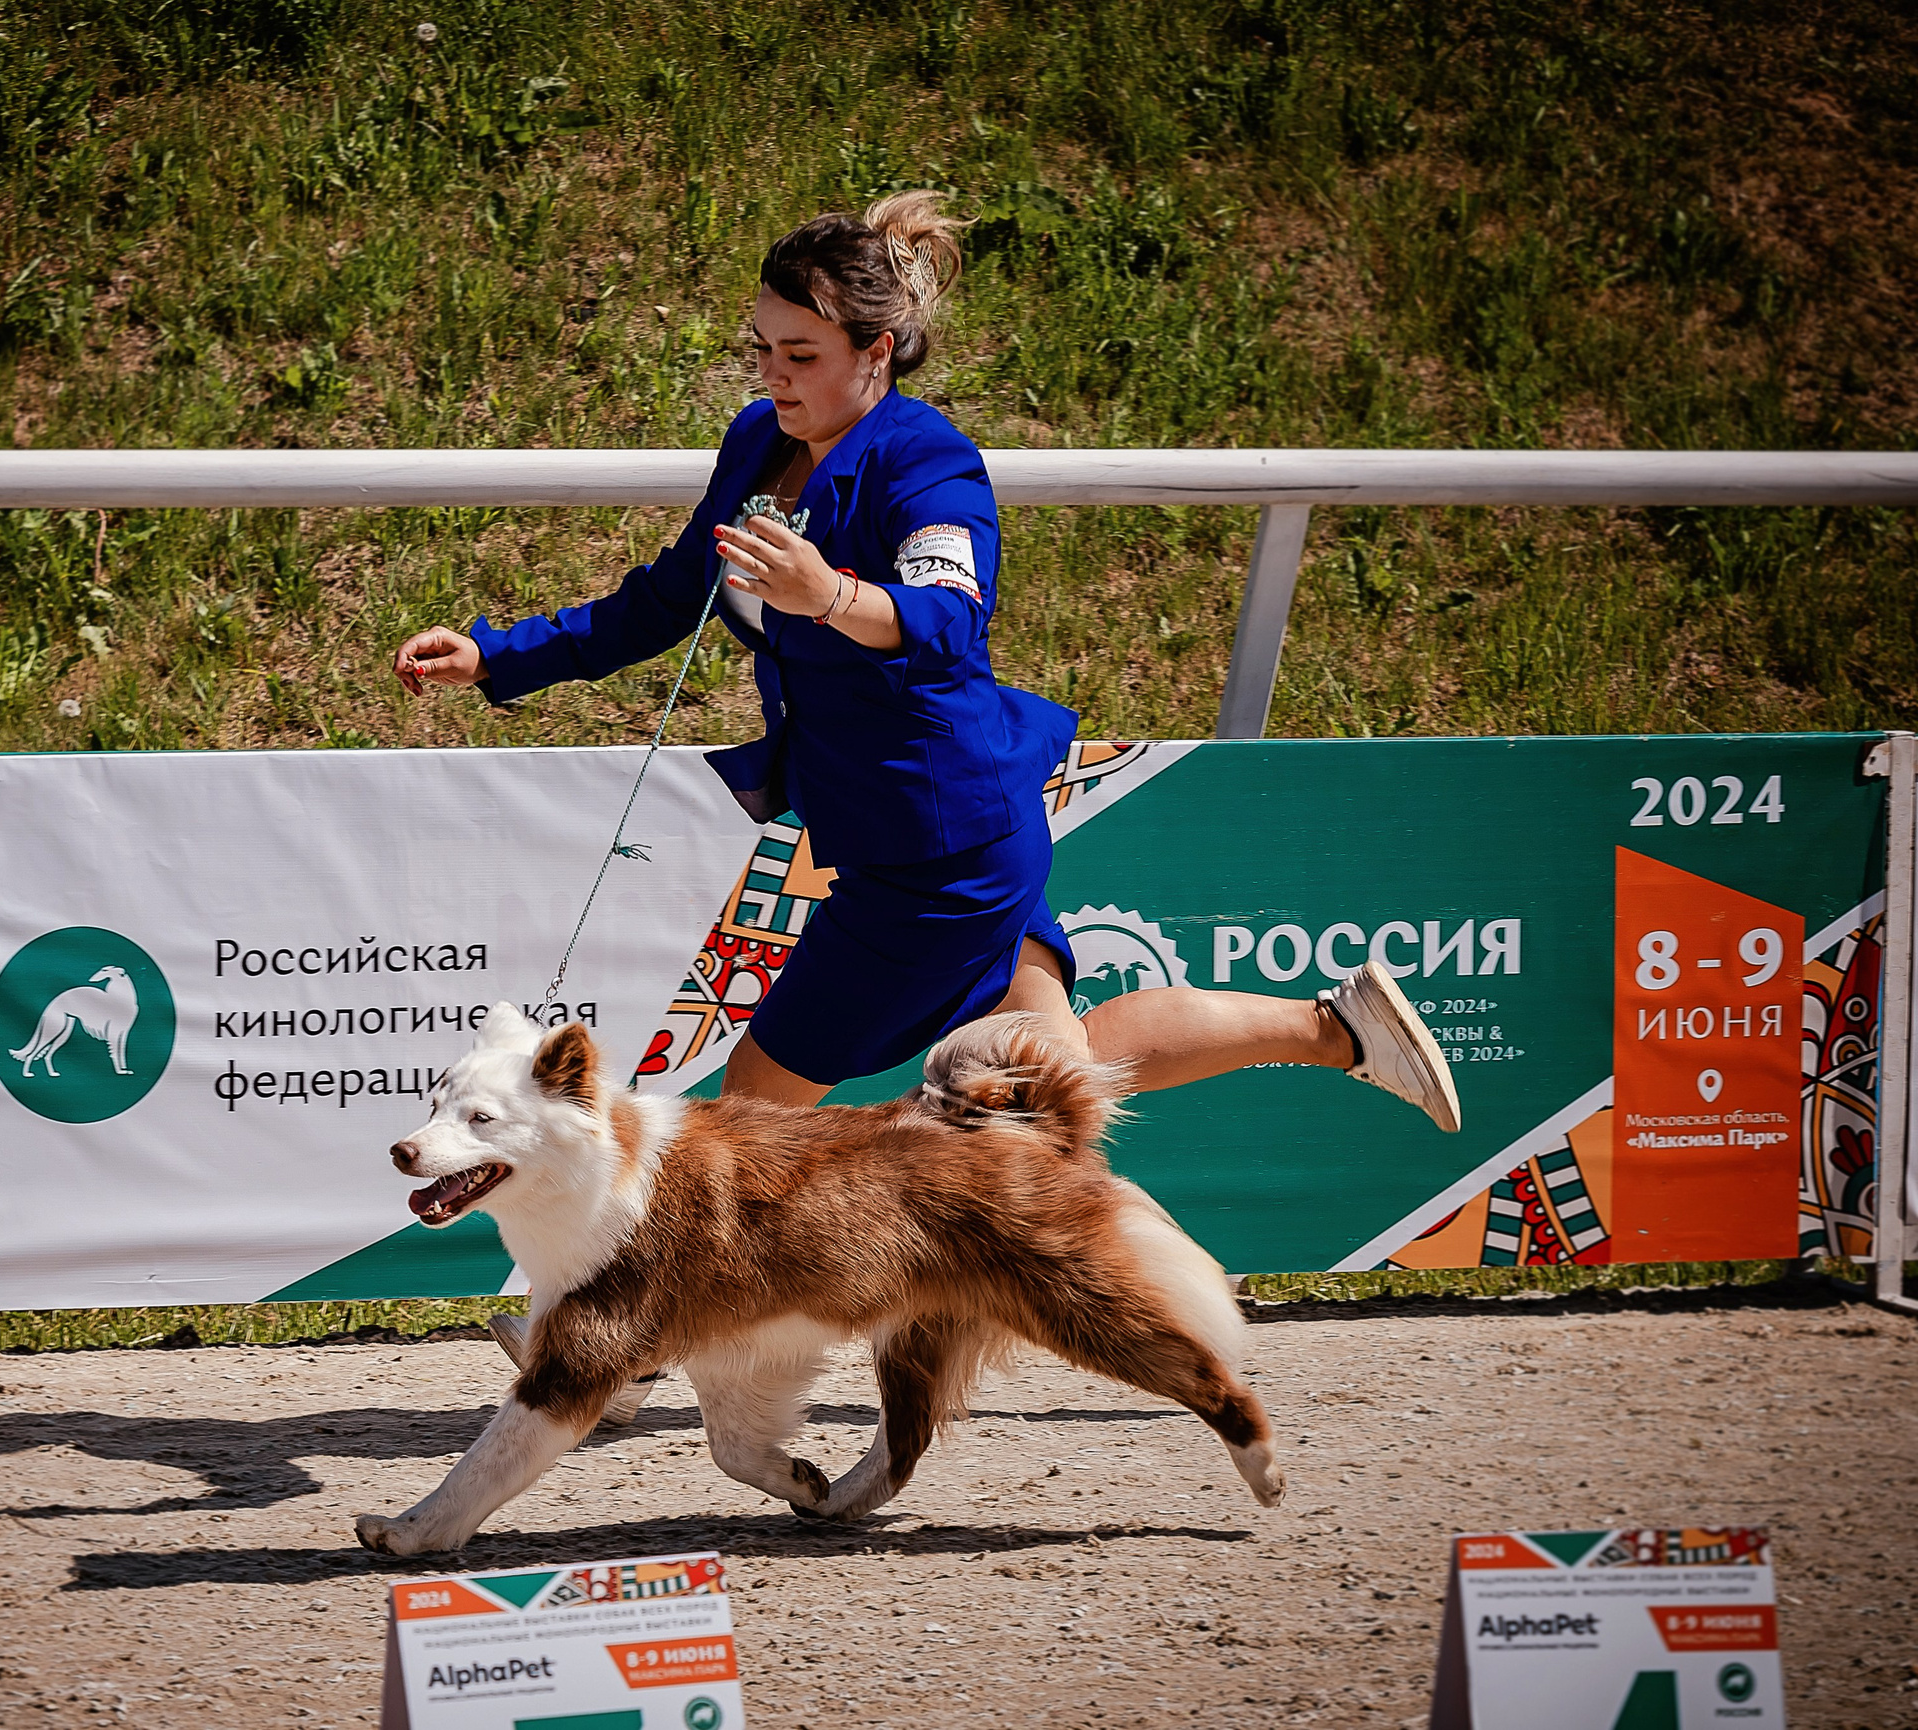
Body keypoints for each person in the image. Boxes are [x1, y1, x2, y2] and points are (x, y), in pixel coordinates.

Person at [393, 193, 1459, 1421]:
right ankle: (1329, 1039)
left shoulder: (931, 464)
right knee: (1062, 1066)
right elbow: (664, 598)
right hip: (927, 822)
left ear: (875, 354)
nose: (773, 374)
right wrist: (496, 655)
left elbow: (947, 625)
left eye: (800, 355)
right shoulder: (758, 444)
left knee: (751, 1110)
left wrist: (828, 590)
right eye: (761, 347)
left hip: (933, 851)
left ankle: (610, 1350)